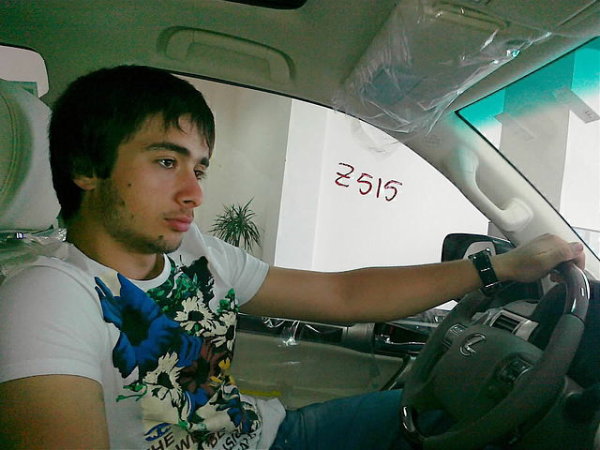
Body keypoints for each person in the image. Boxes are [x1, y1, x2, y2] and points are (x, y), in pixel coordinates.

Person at [0, 65, 585, 450]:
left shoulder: (197, 252)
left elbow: (342, 295)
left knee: (451, 411)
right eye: (165, 161)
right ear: (86, 168)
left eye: (199, 168)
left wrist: (497, 267)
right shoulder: (48, 295)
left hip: (274, 433)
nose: (194, 192)